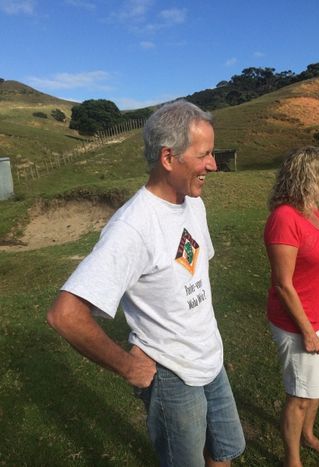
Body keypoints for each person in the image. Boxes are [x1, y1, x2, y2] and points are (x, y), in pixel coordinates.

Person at [47, 100, 245, 467]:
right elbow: (65, 315)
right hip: (171, 375)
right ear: (169, 158)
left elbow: (192, 278)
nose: (214, 165)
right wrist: (126, 365)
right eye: (204, 155)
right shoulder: (132, 227)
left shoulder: (192, 203)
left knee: (225, 451)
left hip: (209, 359)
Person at [264, 146, 319, 467]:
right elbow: (284, 283)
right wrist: (307, 332)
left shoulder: (311, 210)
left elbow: (315, 258)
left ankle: (309, 435)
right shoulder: (284, 219)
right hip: (298, 323)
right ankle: (292, 461)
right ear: (308, 175)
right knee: (300, 396)